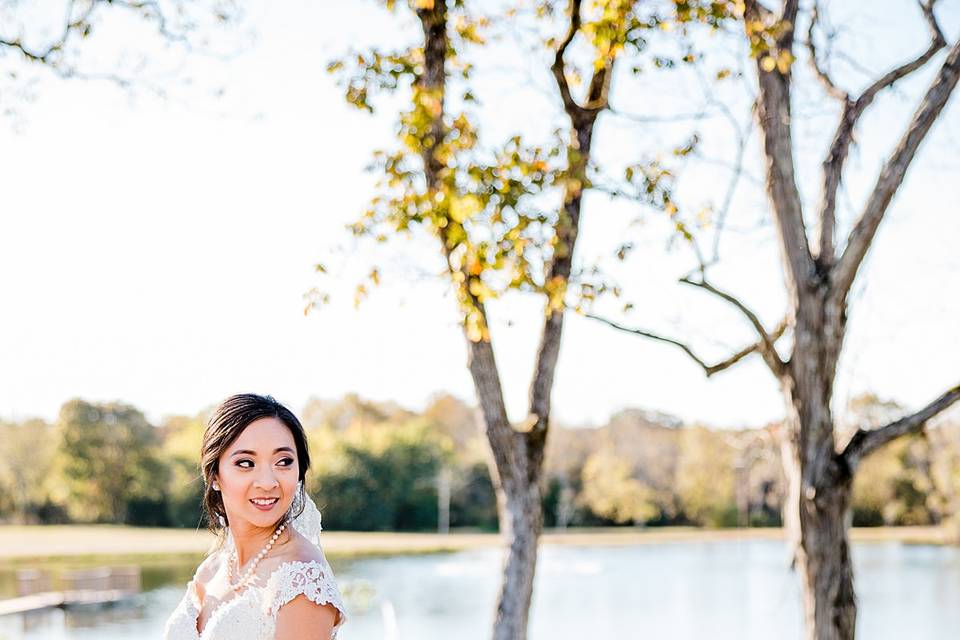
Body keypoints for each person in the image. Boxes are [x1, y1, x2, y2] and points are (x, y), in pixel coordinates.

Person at [163, 393, 346, 639]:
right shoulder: (211, 570)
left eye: (283, 461)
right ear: (215, 475)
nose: (268, 482)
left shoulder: (302, 579)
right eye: (246, 463)